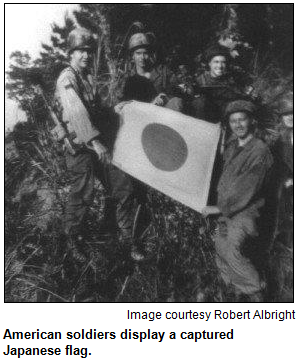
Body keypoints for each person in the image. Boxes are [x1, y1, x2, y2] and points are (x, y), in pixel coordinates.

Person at [54, 28, 143, 261]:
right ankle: (71, 240)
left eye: (88, 51)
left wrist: (115, 109)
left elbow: (97, 111)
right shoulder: (67, 77)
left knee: (122, 184)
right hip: (81, 147)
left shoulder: (87, 78)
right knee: (84, 190)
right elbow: (77, 112)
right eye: (80, 51)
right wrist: (96, 142)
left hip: (96, 143)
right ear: (70, 54)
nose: (85, 55)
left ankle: (126, 238)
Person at [201, 100, 273, 302]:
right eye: (233, 121)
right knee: (220, 248)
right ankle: (236, 293)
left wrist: (218, 208)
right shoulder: (232, 146)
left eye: (242, 119)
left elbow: (247, 189)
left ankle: (257, 293)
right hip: (225, 210)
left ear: (252, 121)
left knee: (233, 249)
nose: (238, 124)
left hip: (246, 211)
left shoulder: (260, 151)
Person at [117, 32, 184, 111]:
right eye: (138, 53)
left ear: (150, 54)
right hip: (141, 116)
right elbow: (122, 101)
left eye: (145, 53)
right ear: (133, 56)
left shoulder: (162, 71)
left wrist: (165, 97)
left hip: (164, 113)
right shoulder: (127, 78)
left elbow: (178, 88)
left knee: (176, 102)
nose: (142, 57)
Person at [192, 44, 242, 123]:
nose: (220, 66)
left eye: (223, 62)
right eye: (216, 62)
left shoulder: (230, 82)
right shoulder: (199, 81)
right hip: (201, 121)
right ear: (209, 63)